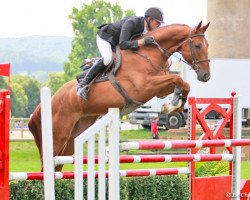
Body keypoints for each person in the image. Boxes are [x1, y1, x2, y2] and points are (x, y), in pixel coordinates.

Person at [77, 7, 165, 100]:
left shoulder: (146, 30)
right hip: (105, 37)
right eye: (158, 22)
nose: (159, 25)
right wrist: (142, 42)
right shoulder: (133, 22)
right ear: (149, 19)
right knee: (107, 59)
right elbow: (123, 44)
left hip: (116, 43)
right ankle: (83, 84)